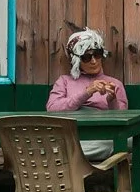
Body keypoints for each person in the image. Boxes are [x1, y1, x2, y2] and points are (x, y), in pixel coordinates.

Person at [47, 31, 128, 159]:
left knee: (125, 141)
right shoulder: (64, 81)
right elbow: (52, 109)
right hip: (72, 134)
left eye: (97, 54)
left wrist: (111, 100)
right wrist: (87, 92)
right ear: (76, 60)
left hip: (101, 137)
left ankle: (69, 155)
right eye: (86, 57)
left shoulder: (114, 83)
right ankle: (73, 154)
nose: (94, 61)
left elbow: (123, 121)